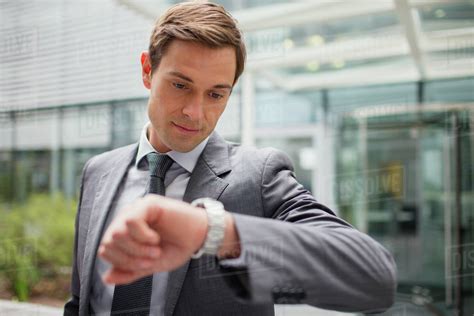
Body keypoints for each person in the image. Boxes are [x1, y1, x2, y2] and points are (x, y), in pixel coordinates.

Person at [64, 2, 397, 316]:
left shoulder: (259, 175)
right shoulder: (99, 171)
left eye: (215, 94)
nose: (195, 112)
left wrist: (213, 231)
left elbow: (375, 279)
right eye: (180, 85)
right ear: (148, 70)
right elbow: (81, 300)